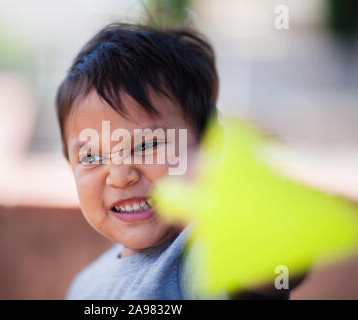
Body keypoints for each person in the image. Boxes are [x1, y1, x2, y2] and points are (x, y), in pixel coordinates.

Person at [55, 23, 299, 299]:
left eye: (147, 145)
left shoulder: (203, 253)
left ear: (209, 145)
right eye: (91, 156)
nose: (120, 176)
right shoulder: (85, 288)